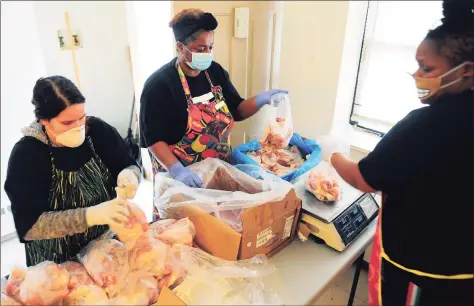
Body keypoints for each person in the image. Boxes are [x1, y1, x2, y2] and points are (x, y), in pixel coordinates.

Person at [326, 1, 473, 305]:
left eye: (428, 68)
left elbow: (363, 179)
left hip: (423, 268)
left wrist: (331, 152)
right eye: (418, 65)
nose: (417, 74)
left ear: (467, 70)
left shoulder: (426, 124)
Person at [139, 9, 288, 193]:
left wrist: (262, 99)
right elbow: (153, 139)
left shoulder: (214, 72)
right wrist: (177, 170)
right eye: (201, 49)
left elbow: (237, 110)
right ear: (179, 46)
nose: (207, 53)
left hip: (218, 171)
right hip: (181, 180)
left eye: (211, 47)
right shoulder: (159, 85)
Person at [4, 76, 141, 266]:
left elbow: (129, 163)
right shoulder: (27, 155)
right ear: (44, 120)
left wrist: (130, 174)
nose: (78, 128)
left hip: (103, 249)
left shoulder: (97, 131)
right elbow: (30, 227)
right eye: (67, 123)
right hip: (57, 263)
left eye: (81, 118)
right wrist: (90, 216)